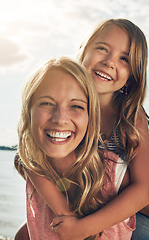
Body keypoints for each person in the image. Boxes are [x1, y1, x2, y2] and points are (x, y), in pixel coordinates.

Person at [15, 19, 149, 240]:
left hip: (120, 189)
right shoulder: (62, 98)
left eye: (124, 59)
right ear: (83, 52)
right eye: (102, 49)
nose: (109, 62)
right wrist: (68, 217)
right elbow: (31, 154)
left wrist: (90, 227)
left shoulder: (130, 114)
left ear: (133, 75)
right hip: (77, 187)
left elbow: (143, 191)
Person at [15, 56, 110, 239]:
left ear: (91, 117)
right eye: (47, 103)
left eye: (76, 106)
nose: (60, 118)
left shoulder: (113, 175)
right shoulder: (32, 165)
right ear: (28, 112)